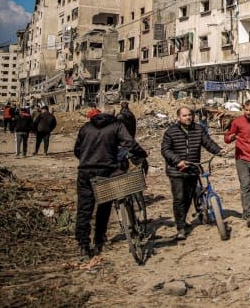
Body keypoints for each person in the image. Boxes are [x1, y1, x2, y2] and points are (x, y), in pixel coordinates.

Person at [74, 107, 147, 258]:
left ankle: (83, 245)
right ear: (114, 115)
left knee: (84, 209)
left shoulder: (86, 127)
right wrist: (142, 153)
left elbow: (77, 150)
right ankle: (99, 239)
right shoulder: (116, 126)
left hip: (85, 172)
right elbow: (130, 143)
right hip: (107, 171)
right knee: (104, 205)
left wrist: (88, 159)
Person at [161, 106, 223, 240]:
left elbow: (207, 142)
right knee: (179, 198)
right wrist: (178, 161)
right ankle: (181, 228)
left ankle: (183, 221)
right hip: (176, 171)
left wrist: (218, 150)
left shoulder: (199, 129)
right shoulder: (170, 132)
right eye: (184, 115)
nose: (188, 117)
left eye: (190, 115)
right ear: (178, 117)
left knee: (189, 196)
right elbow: (165, 150)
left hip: (193, 169)